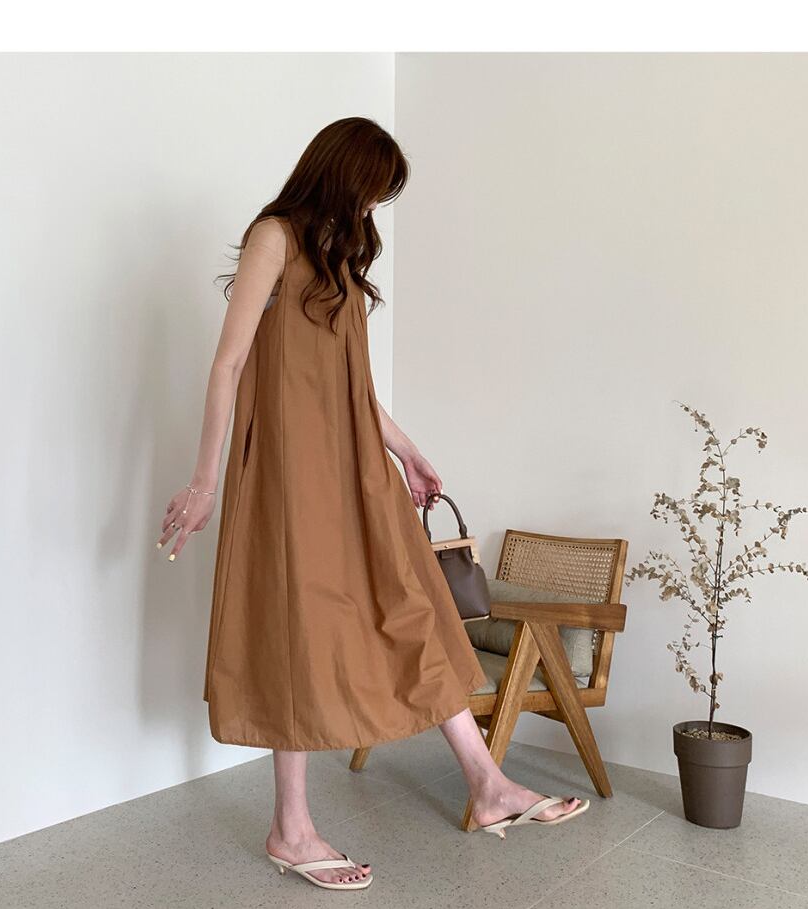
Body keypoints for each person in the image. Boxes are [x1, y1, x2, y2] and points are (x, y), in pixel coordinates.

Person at [155, 117, 587, 892]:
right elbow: (228, 364)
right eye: (373, 192)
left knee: (413, 604)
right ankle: (291, 827)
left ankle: (487, 783)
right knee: (300, 628)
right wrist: (205, 479)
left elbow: (352, 388)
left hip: (357, 469)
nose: (372, 209)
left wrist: (407, 450)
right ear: (343, 174)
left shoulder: (342, 258)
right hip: (290, 476)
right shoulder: (274, 238)